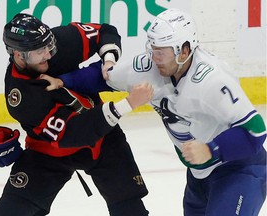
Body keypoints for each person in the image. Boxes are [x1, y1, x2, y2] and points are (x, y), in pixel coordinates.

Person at [43, 8, 267, 216]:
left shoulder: (212, 81)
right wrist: (63, 81)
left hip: (239, 169)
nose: (154, 57)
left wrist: (210, 150)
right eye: (153, 49)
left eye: (162, 52)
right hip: (199, 176)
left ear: (185, 50)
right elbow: (104, 76)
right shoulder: (149, 66)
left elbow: (255, 131)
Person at [0, 13, 153, 216]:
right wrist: (126, 105)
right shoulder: (22, 97)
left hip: (103, 140)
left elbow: (105, 32)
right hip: (48, 152)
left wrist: (109, 60)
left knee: (129, 207)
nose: (48, 54)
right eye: (40, 51)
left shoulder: (55, 43)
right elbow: (75, 133)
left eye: (49, 47)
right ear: (19, 55)